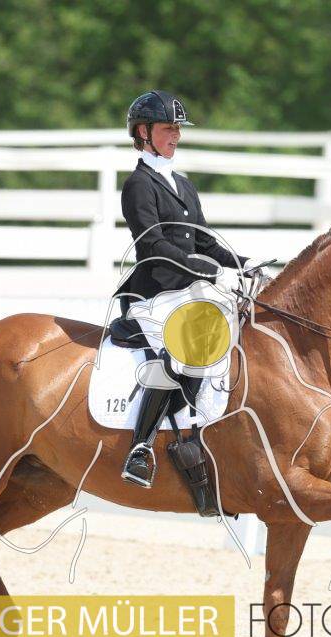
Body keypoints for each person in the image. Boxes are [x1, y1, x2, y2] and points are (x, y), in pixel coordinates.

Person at [116, 90, 258, 488]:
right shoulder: (138, 185)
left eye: (178, 129)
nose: (175, 136)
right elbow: (152, 245)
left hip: (189, 290)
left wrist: (243, 263)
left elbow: (205, 241)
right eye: (167, 128)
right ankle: (141, 448)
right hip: (154, 292)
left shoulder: (183, 185)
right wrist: (202, 269)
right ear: (143, 132)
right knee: (184, 345)